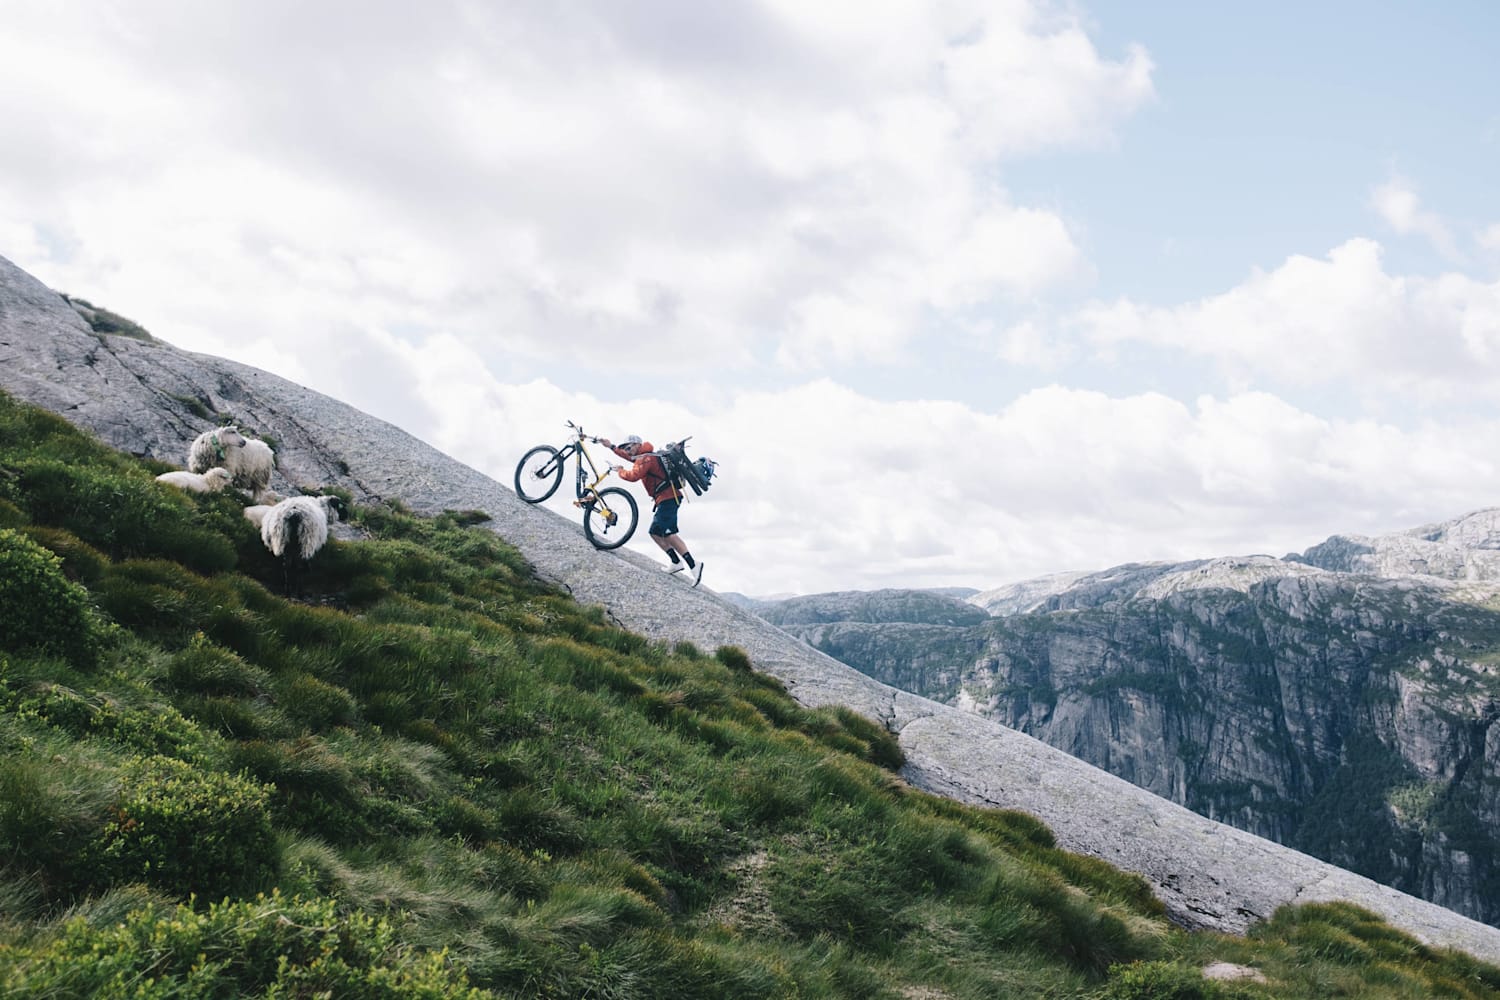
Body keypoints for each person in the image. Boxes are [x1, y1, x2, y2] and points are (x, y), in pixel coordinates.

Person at [599, 433, 704, 587]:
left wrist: (620, 470)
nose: (627, 451)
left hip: (669, 497)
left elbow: (634, 476)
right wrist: (612, 447)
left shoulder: (646, 458)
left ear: (636, 445)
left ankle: (694, 565)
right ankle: (676, 562)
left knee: (668, 533)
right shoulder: (643, 455)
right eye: (625, 449)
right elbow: (631, 459)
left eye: (629, 447)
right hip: (666, 498)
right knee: (655, 532)